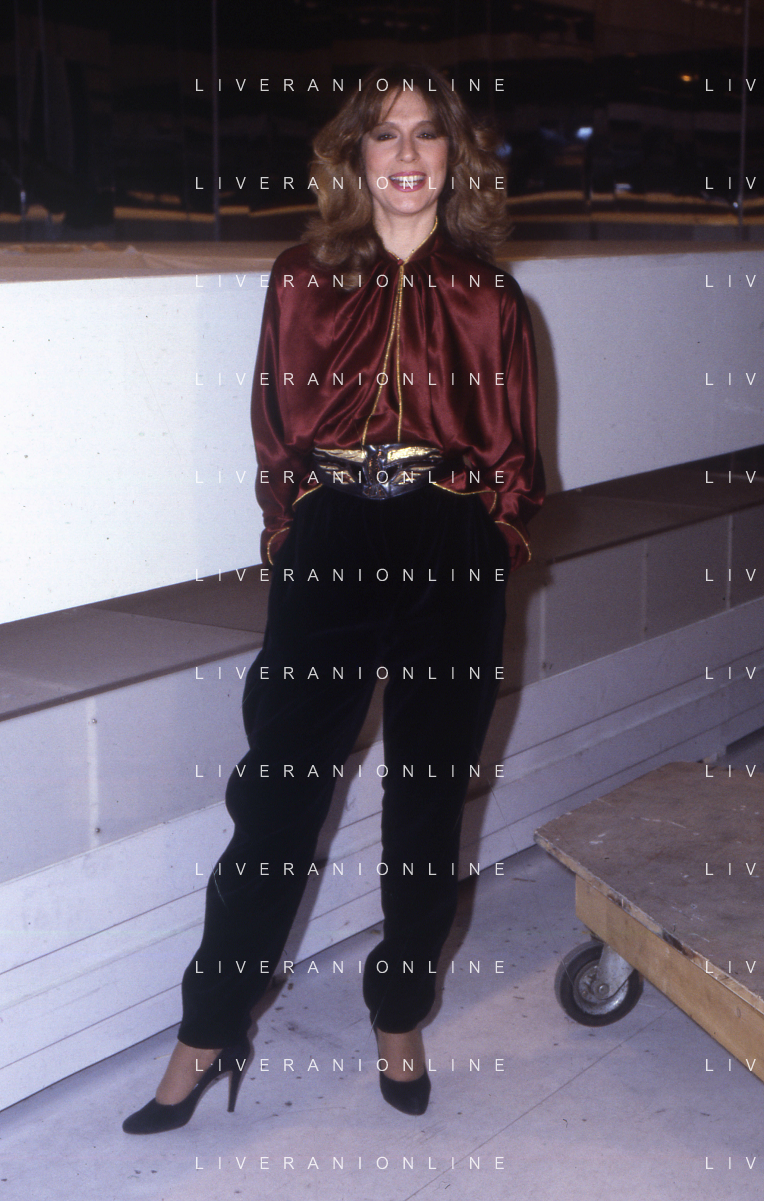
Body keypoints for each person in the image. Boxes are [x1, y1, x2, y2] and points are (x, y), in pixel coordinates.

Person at [122, 61, 544, 1134]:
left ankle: (398, 1015)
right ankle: (208, 1028)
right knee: (275, 799)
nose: (405, 153)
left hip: (451, 542)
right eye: (384, 133)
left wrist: (486, 541)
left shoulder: (491, 298)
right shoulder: (301, 280)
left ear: (453, 156)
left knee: (427, 802)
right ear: (354, 155)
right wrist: (293, 532)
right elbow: (275, 428)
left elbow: (515, 461)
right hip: (334, 538)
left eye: (425, 133)